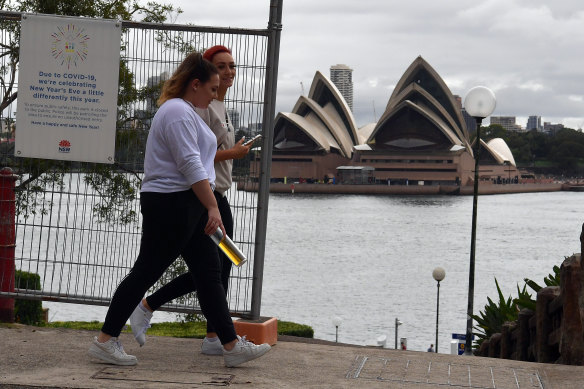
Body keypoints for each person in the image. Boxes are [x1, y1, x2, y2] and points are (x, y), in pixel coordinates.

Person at [87, 52, 270, 368]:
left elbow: (193, 164)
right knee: (147, 270)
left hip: (184, 202)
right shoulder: (176, 112)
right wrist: (212, 205)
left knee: (209, 271)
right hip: (172, 203)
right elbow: (190, 164)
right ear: (195, 84)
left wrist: (206, 204)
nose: (214, 95)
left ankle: (229, 344)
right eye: (211, 88)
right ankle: (105, 340)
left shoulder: (184, 111)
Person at [128, 45, 252, 356]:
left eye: (231, 66)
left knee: (217, 265)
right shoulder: (197, 107)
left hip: (215, 192)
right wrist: (234, 155)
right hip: (203, 196)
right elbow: (194, 156)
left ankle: (216, 337)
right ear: (202, 77)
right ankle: (150, 306)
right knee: (211, 265)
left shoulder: (217, 105)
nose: (228, 72)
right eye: (220, 67)